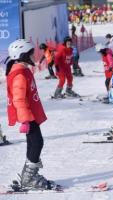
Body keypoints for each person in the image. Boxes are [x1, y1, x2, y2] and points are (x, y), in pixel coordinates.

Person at [6, 39, 58, 190]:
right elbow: (18, 99)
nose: (33, 56)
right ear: (22, 56)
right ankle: (29, 178)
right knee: (37, 143)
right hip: (28, 117)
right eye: (30, 54)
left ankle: (28, 175)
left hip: (30, 115)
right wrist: (25, 120)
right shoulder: (20, 75)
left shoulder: (23, 70)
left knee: (34, 143)